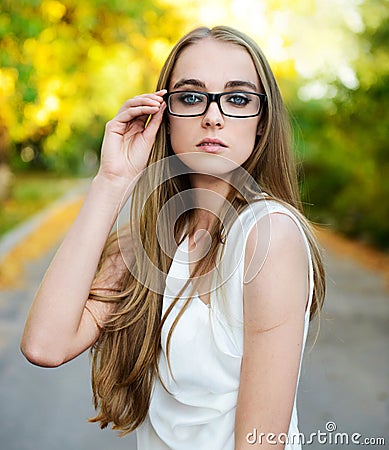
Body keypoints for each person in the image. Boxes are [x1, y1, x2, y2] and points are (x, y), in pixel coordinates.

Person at [21, 26, 326, 450]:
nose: (213, 116)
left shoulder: (268, 235)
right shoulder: (141, 246)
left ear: (262, 123)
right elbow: (44, 345)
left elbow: (261, 443)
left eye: (237, 98)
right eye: (190, 96)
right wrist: (112, 180)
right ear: (163, 117)